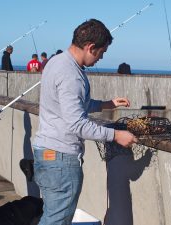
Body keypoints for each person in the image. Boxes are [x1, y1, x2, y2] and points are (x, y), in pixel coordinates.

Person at [32, 19, 137, 225]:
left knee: (52, 216)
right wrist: (116, 135)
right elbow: (77, 124)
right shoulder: (72, 75)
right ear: (90, 47)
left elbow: (72, 106)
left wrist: (107, 104)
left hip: (46, 152)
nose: (101, 57)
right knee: (56, 220)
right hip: (61, 159)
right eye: (101, 52)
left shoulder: (56, 61)